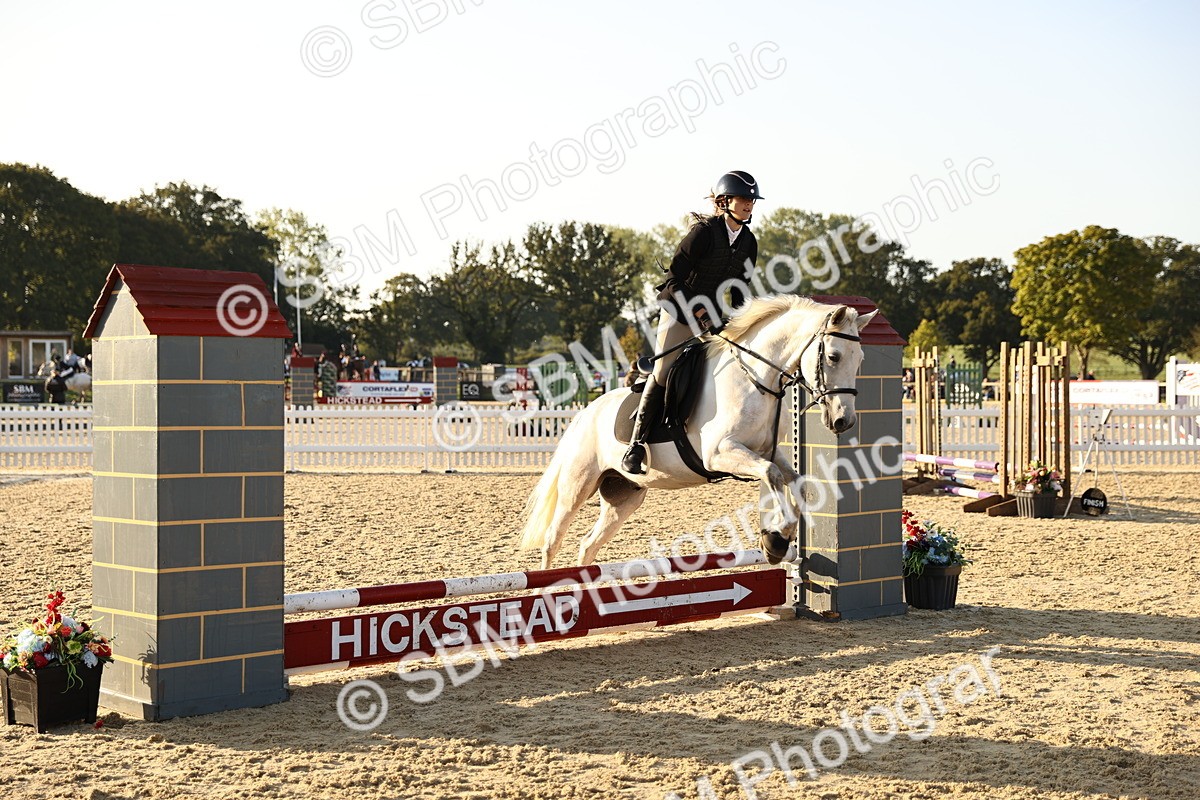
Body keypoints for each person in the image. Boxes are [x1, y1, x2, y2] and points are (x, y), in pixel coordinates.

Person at [621, 170, 763, 475]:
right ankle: (636, 444)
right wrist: (699, 313)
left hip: (711, 315)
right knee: (663, 369)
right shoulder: (703, 233)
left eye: (752, 200)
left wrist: (742, 323)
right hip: (678, 308)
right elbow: (673, 279)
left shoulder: (749, 242)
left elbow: (739, 289)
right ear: (725, 202)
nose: (749, 204)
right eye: (743, 199)